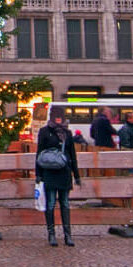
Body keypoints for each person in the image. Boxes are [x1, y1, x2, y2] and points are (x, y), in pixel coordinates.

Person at [35, 106, 81, 247]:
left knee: (65, 203)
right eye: (56, 116)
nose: (58, 118)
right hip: (49, 172)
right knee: (50, 204)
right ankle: (52, 234)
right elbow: (39, 153)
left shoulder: (67, 132)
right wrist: (38, 173)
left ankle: (68, 235)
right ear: (52, 116)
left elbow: (72, 154)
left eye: (60, 115)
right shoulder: (44, 132)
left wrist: (76, 174)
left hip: (64, 172)